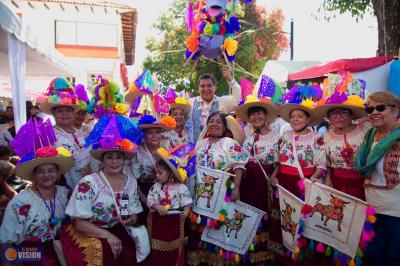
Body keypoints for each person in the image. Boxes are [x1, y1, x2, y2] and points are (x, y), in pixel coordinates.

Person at [61, 135, 144, 265]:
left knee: (131, 255)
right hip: (91, 232)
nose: (114, 161)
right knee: (106, 254)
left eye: (118, 157)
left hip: (119, 229)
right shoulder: (89, 183)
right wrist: (107, 236)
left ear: (124, 161)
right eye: (109, 157)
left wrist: (130, 219)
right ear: (102, 161)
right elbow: (78, 223)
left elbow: (134, 215)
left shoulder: (131, 182)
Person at [187, 111, 248, 265]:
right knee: (203, 224)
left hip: (224, 190)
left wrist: (237, 187)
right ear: (206, 125)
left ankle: (221, 259)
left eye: (218, 122)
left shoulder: (229, 143)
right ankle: (204, 257)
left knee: (220, 224)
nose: (214, 124)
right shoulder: (201, 143)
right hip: (203, 192)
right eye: (211, 121)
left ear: (224, 127)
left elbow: (239, 165)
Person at [0, 144, 73, 265]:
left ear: (58, 173)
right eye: (41, 171)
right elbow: (5, 242)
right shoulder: (21, 202)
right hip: (30, 254)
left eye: (51, 170)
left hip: (60, 249)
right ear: (34, 175)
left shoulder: (65, 194)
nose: (46, 175)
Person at [235, 96, 284, 262]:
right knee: (251, 213)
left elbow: (280, 162)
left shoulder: (277, 137)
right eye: (253, 115)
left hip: (267, 183)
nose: (256, 117)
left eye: (259, 114)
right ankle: (252, 251)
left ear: (266, 116)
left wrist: (275, 175)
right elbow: (241, 161)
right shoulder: (248, 140)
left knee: (267, 213)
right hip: (250, 184)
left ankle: (267, 252)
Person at [355, 91, 400, 266]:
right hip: (372, 209)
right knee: (374, 255)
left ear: (395, 111)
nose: (373, 112)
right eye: (369, 109)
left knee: (394, 256)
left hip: (396, 212)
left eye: (380, 108)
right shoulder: (368, 137)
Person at [40, 77, 92, 189]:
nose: (64, 114)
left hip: (86, 184)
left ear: (74, 113)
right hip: (62, 186)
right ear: (53, 114)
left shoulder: (81, 133)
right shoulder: (49, 134)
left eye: (68, 110)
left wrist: (89, 167)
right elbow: (44, 163)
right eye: (60, 111)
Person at [316, 94, 369, 200]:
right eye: (333, 113)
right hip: (337, 181)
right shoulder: (327, 137)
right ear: (329, 118)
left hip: (364, 181)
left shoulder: (366, 130)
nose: (338, 116)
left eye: (343, 113)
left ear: (351, 115)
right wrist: (327, 178)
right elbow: (327, 161)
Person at [147, 144, 194, 265]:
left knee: (175, 249)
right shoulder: (155, 187)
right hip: (158, 222)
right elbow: (150, 200)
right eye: (156, 172)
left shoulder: (181, 188)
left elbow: (187, 201)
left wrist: (187, 211)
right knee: (158, 249)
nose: (157, 175)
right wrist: (157, 206)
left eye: (160, 173)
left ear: (170, 174)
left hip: (175, 222)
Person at [273, 100, 326, 199]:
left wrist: (313, 177)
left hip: (304, 182)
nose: (295, 119)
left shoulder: (316, 138)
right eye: (292, 117)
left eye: (300, 116)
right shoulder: (285, 135)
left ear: (308, 119)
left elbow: (321, 164)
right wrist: (274, 175)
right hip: (283, 180)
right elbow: (278, 161)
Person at [190, 68, 242, 142]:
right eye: (202, 86)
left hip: (218, 150)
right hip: (195, 149)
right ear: (198, 88)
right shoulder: (191, 103)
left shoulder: (223, 101)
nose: (206, 89)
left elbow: (237, 99)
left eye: (209, 85)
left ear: (215, 88)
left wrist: (230, 78)